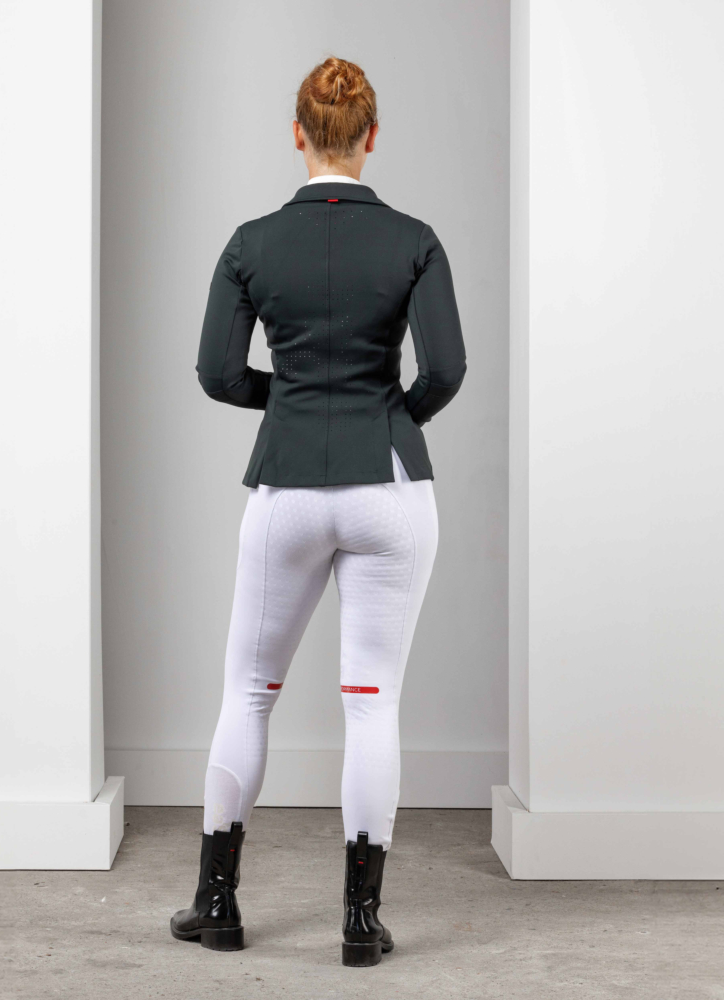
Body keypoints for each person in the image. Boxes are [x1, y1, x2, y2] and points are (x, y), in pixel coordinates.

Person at [170, 56, 466, 967]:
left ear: (297, 134)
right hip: (390, 490)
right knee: (373, 704)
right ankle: (361, 926)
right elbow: (446, 370)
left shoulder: (251, 243)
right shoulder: (415, 239)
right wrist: (384, 414)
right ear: (371, 137)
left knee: (248, 693)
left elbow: (218, 374)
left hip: (287, 492)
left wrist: (298, 399)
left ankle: (216, 905)